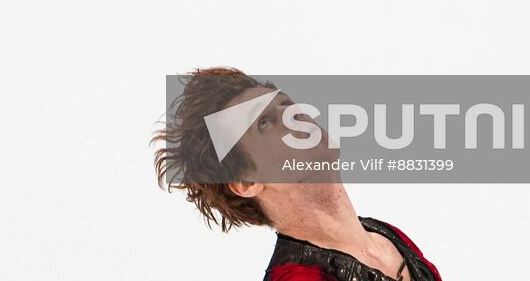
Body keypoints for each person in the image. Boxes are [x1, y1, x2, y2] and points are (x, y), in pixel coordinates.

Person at [153, 67, 444, 281]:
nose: (294, 118)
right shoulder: (296, 278)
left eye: (287, 106)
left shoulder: (384, 234)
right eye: (264, 123)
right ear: (247, 182)